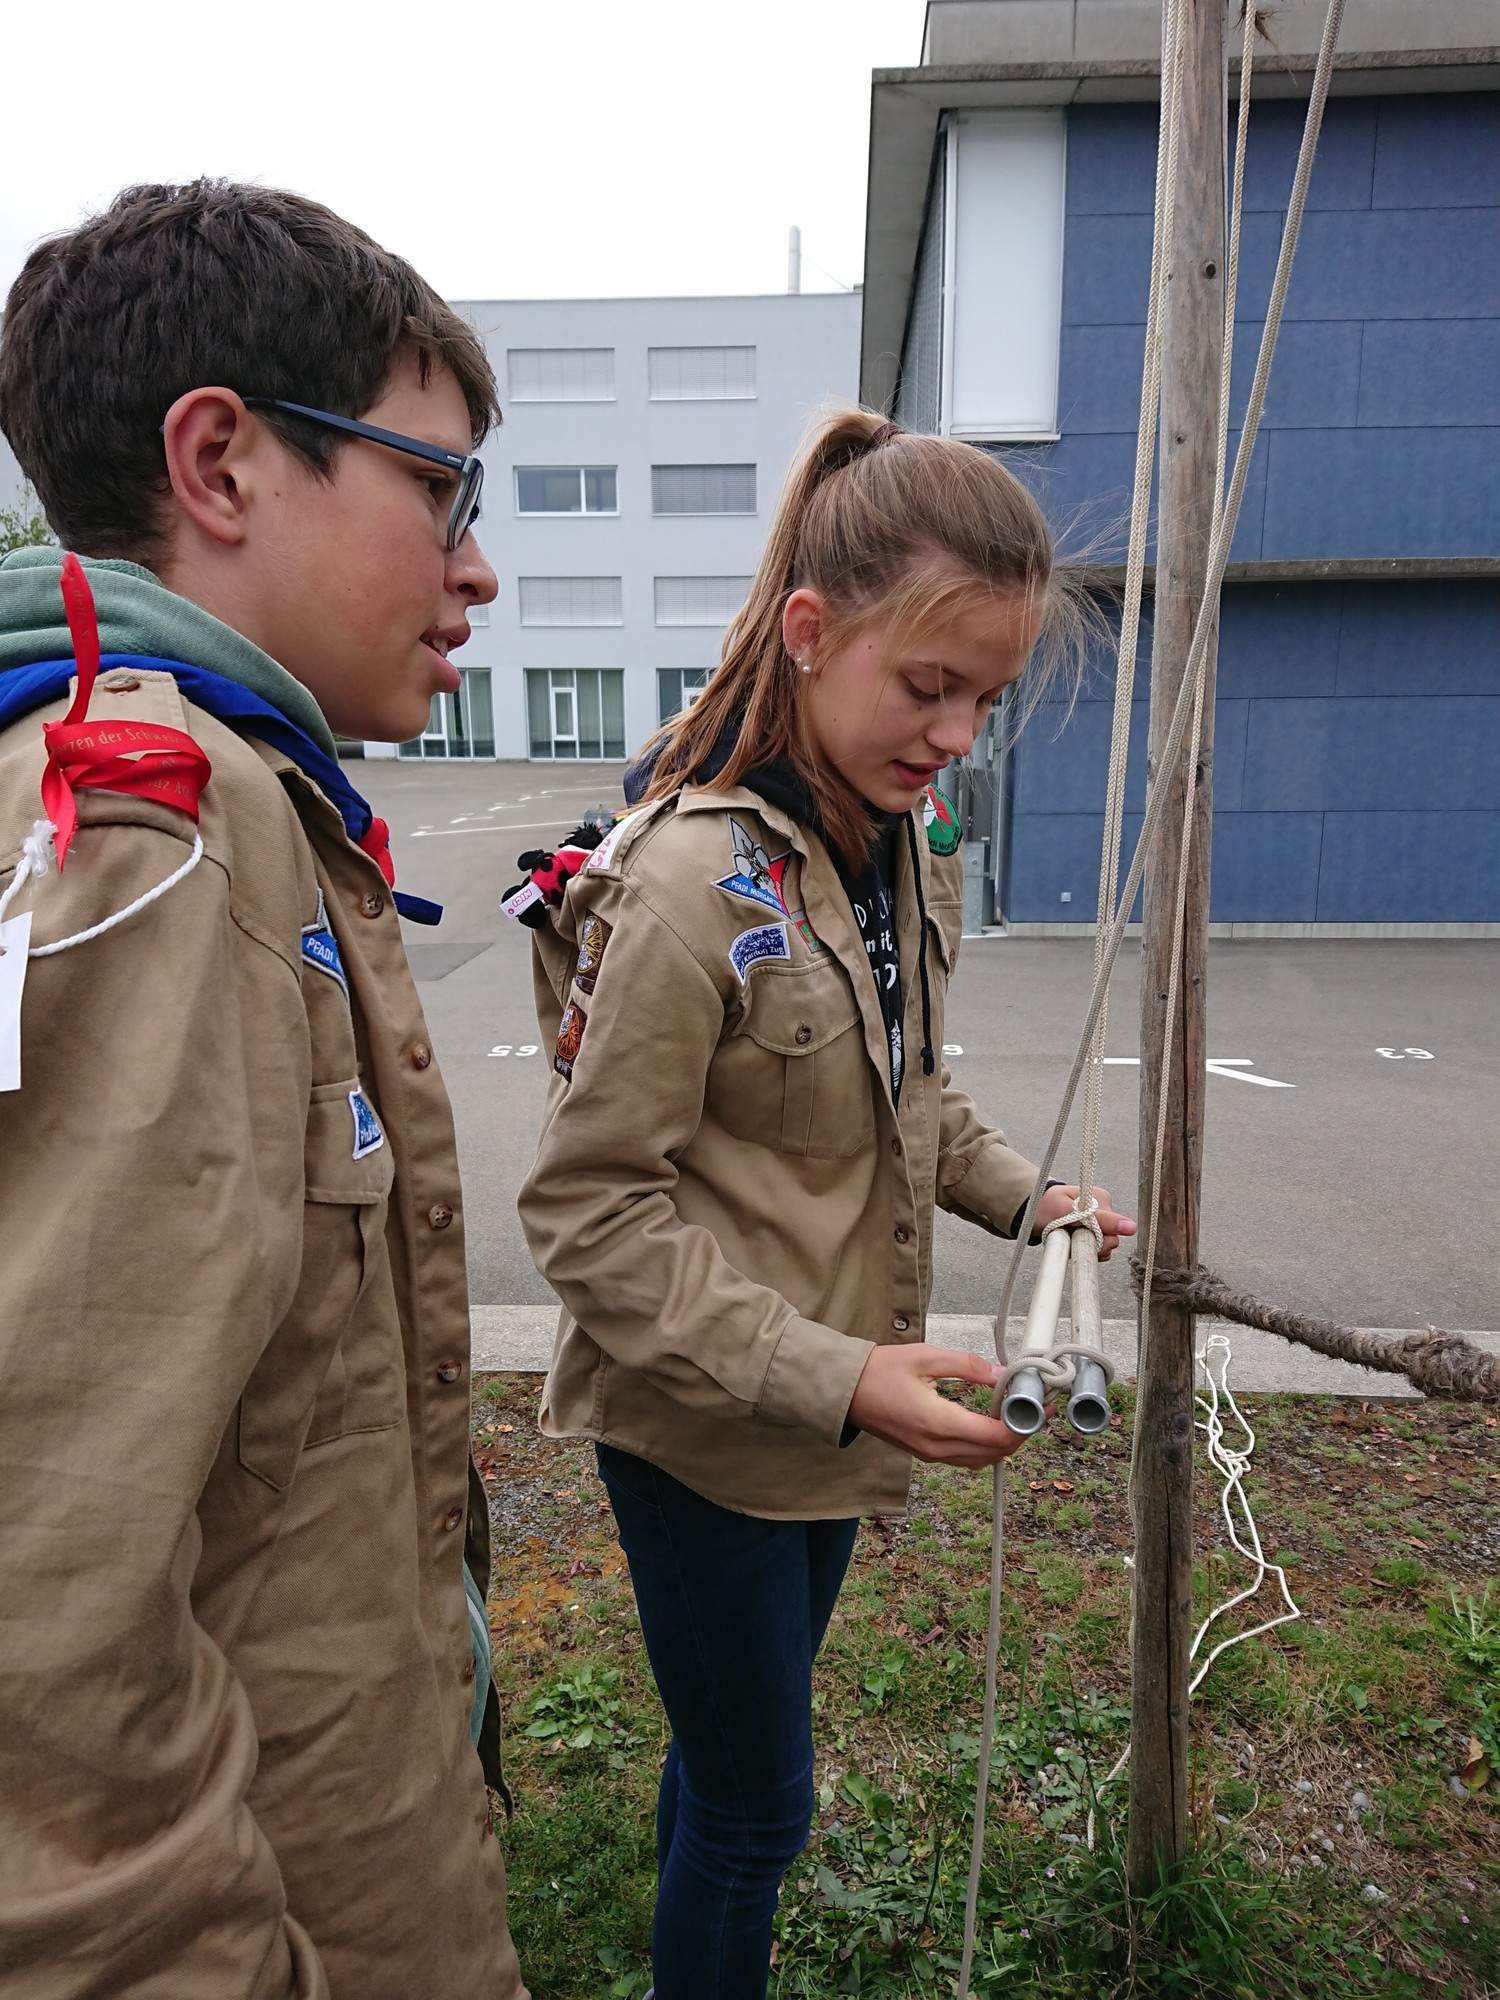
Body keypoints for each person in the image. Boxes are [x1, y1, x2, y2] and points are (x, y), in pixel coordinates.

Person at [514, 408, 1136, 2000]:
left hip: (828, 1412)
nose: (956, 735)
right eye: (927, 686)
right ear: (809, 631)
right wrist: (840, 1376)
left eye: (986, 699)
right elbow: (589, 1214)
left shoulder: (890, 844)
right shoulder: (683, 884)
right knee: (758, 1812)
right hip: (708, 1430)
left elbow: (907, 1089)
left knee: (731, 1757)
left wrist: (1031, 1197)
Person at [0, 181, 527, 1999]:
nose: (474, 567)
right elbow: (42, 1598)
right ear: (220, 463)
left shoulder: (216, 794)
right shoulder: (159, 825)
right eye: (441, 489)